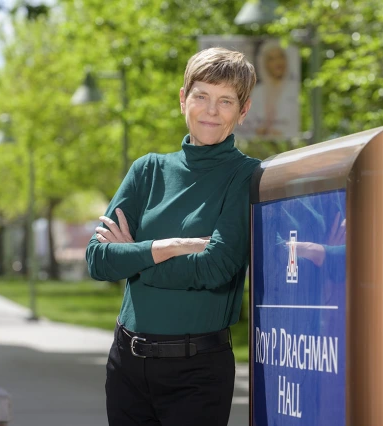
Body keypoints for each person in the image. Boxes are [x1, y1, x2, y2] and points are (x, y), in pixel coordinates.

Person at [85, 47, 260, 426]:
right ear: (183, 99)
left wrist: (134, 258)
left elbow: (217, 267)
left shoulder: (246, 176)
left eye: (225, 100)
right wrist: (168, 248)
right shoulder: (147, 171)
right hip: (126, 367)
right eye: (201, 96)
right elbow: (97, 260)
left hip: (197, 373)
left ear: (242, 111)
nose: (211, 111)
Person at [244, 40, 299, 139]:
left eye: (280, 57)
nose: (277, 62)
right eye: (272, 59)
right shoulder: (257, 92)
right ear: (265, 63)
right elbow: (246, 122)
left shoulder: (294, 90)